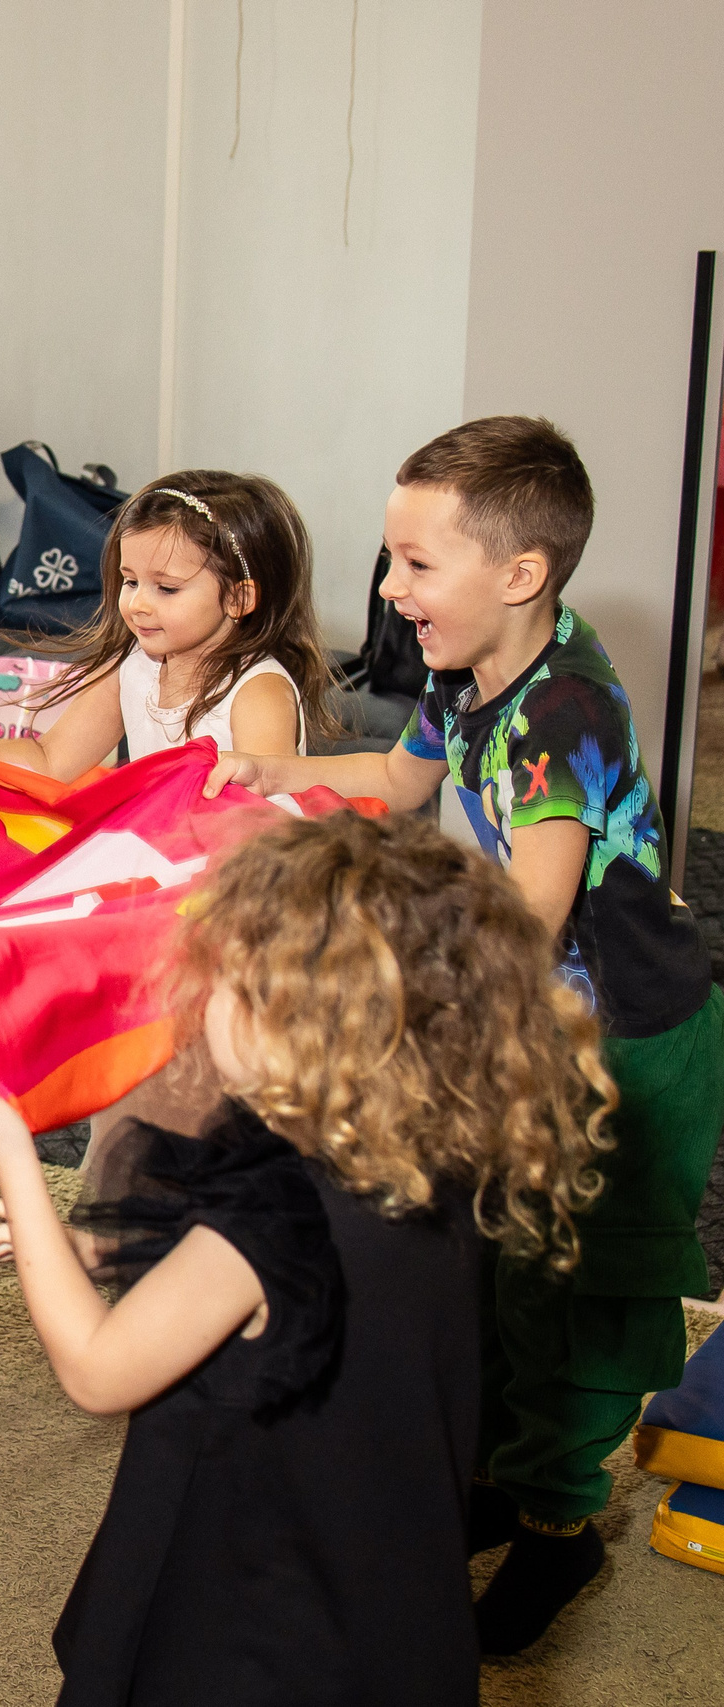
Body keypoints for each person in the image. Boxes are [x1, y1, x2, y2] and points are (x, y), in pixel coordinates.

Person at [204, 415, 724, 1654]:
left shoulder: (567, 714)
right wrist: (273, 780)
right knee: (496, 1262)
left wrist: (391, 1004)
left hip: (628, 1046)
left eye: (415, 564)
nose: (390, 589)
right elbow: (396, 785)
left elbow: (532, 915)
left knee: (578, 1289)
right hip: (532, 1018)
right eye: (392, 559)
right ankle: (505, 1469)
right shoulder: (464, 665)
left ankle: (560, 1528)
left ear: (520, 574)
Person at [0, 810, 610, 1705]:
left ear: (291, 1025)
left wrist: (21, 1171)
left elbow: (99, 1370)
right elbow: (216, 1225)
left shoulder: (267, 1221)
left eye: (227, 982)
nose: (205, 997)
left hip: (249, 1612)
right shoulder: (431, 1151)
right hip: (377, 1574)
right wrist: (83, 1242)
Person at [0, 471, 341, 780]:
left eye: (167, 588)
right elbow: (51, 761)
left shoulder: (258, 691)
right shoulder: (132, 667)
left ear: (238, 598)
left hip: (233, 872)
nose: (138, 603)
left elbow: (266, 814)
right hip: (156, 853)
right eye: (130, 581)